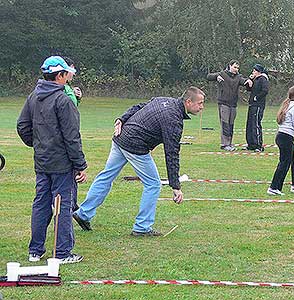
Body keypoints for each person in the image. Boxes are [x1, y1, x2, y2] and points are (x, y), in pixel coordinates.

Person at [73, 86, 205, 236]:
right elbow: (172, 153)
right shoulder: (173, 119)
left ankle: (83, 214)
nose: (202, 107)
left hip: (121, 138)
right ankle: (142, 227)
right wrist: (176, 186)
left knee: (106, 176)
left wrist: (122, 119)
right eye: (200, 103)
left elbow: (139, 106)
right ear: (188, 102)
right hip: (134, 145)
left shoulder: (164, 100)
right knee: (153, 184)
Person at [17, 56, 87, 264]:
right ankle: (63, 253)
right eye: (66, 74)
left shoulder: (33, 97)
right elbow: (72, 136)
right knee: (62, 205)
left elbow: (22, 127)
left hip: (42, 161)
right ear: (60, 76)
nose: (68, 77)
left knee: (41, 203)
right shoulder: (63, 100)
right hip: (61, 164)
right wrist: (80, 164)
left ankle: (35, 251)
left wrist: (38, 144)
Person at [207, 60, 252, 151]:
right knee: (225, 123)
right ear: (230, 66)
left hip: (233, 104)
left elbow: (243, 81)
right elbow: (209, 76)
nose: (236, 69)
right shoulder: (222, 74)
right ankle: (224, 144)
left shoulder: (238, 77)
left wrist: (248, 81)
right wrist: (217, 76)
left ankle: (230, 143)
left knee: (231, 124)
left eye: (237, 68)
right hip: (223, 103)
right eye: (235, 67)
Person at [63, 57, 83, 213]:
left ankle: (73, 205)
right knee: (70, 173)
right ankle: (69, 207)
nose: (73, 74)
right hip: (67, 137)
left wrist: (77, 97)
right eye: (72, 70)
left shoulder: (68, 88)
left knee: (73, 174)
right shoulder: (60, 89)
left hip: (72, 132)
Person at [244, 64, 269, 152]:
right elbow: (249, 89)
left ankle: (259, 145)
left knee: (256, 124)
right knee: (250, 124)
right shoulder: (255, 79)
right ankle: (251, 144)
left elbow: (265, 90)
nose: (253, 72)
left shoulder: (263, 79)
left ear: (259, 71)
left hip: (258, 105)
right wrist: (249, 80)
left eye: (254, 71)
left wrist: (256, 98)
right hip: (252, 105)